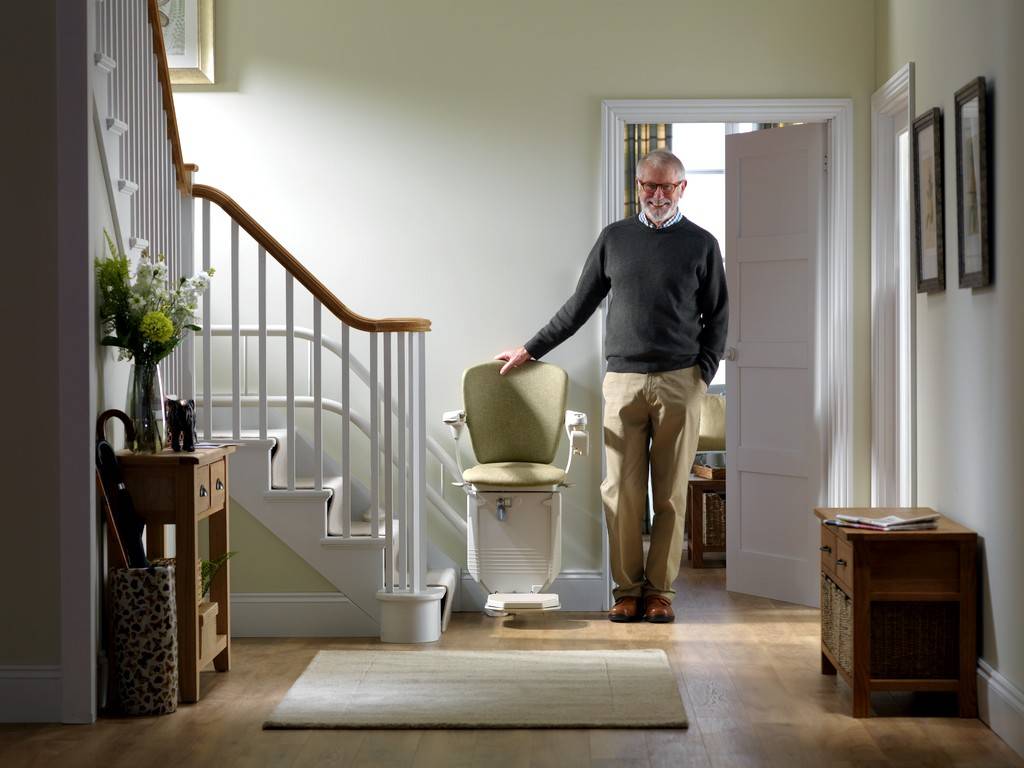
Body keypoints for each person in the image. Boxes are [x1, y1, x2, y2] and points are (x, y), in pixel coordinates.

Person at [496, 149, 728, 623]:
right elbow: (578, 305)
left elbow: (718, 316)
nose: (658, 195)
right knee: (619, 493)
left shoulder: (701, 244)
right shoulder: (614, 239)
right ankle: (627, 591)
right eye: (649, 185)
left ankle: (660, 592)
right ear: (637, 187)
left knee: (668, 495)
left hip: (680, 382)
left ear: (683, 188)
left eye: (667, 186)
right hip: (622, 382)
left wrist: (701, 373)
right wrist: (530, 349)